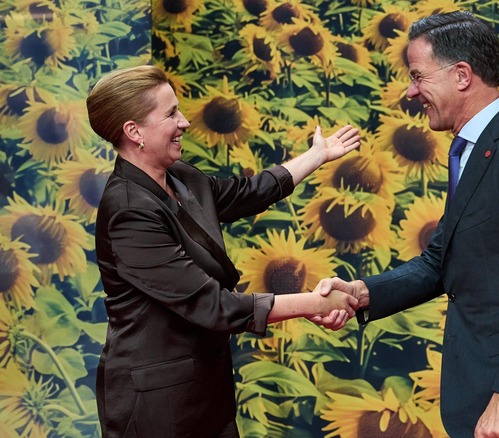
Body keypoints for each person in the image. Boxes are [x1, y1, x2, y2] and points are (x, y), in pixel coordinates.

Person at [316, 11, 499, 438]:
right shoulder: (474, 150)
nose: (411, 92)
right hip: (478, 392)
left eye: (417, 76)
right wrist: (362, 293)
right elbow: (438, 262)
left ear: (462, 75)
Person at [87, 65, 360, 438]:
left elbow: (248, 193)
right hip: (156, 409)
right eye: (170, 114)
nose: (184, 122)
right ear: (134, 132)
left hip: (207, 395)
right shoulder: (129, 210)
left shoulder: (182, 177)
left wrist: (318, 155)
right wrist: (313, 304)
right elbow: (212, 305)